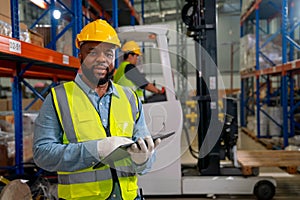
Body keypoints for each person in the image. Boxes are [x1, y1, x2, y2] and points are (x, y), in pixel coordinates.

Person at [33, 19, 160, 200]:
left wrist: (144, 159)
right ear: (80, 56)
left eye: (108, 53)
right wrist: (95, 150)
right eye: (92, 52)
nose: (102, 59)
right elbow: (42, 154)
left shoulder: (130, 98)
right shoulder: (58, 98)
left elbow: (145, 156)